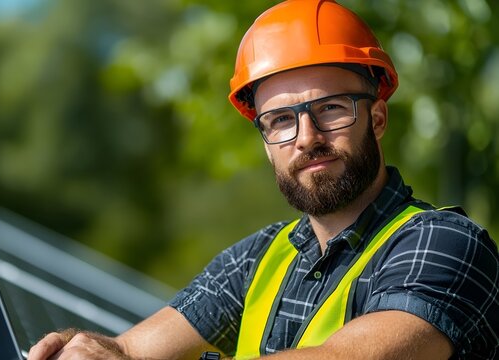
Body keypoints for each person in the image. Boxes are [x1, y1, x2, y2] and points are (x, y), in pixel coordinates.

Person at [28, 0, 499, 359]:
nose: (306, 138)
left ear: (377, 119)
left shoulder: (447, 244)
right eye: (280, 121)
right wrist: (82, 348)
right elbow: (129, 351)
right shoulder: (258, 259)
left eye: (331, 109)